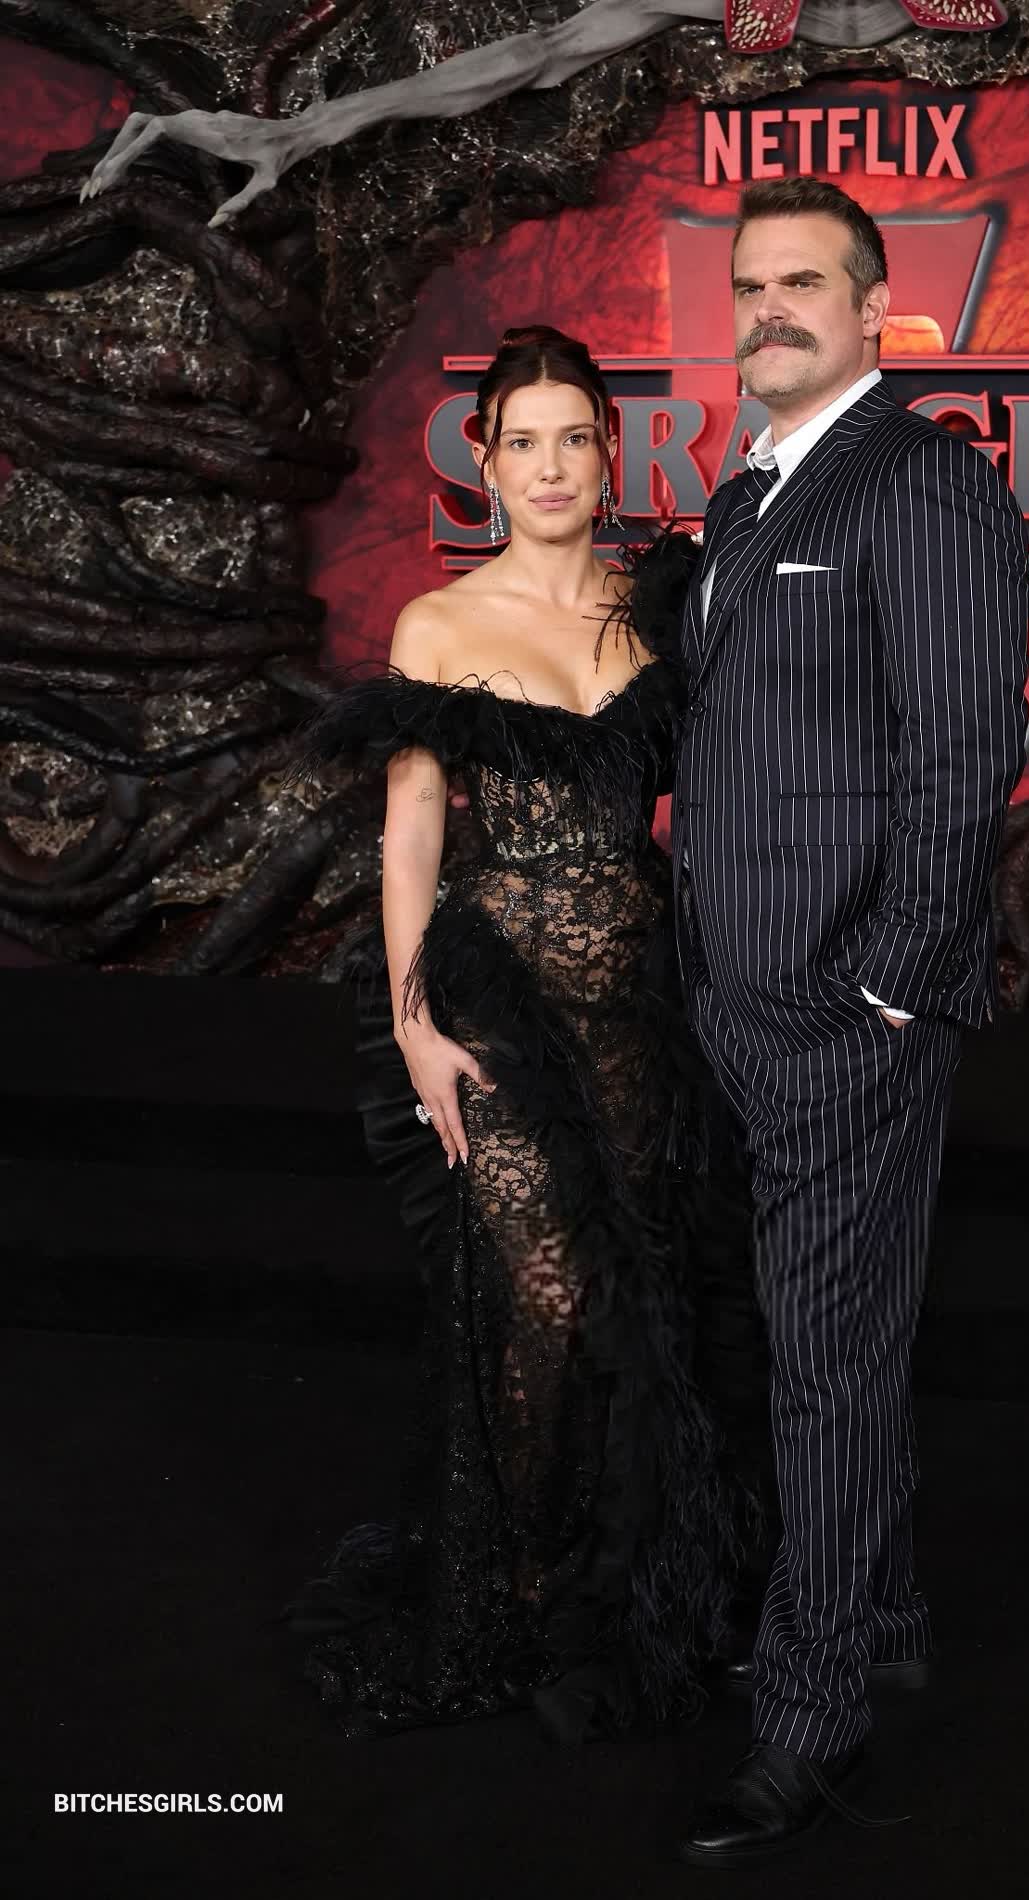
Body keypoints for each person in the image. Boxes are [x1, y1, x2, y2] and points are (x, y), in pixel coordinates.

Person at [287, 325, 763, 1744]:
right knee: (543, 1293)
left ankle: (620, 1588)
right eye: (521, 443)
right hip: (497, 999)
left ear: (608, 454)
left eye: (573, 439)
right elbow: (412, 834)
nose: (549, 467)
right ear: (484, 464)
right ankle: (519, 1585)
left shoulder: (656, 609)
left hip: (644, 1001)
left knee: (649, 1291)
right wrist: (413, 1028)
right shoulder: (441, 624)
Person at [673, 178, 1029, 1865]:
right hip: (734, 991)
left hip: (843, 1007)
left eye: (803, 282)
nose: (769, 310)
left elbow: (963, 757)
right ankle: (874, 1620)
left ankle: (808, 1726)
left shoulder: (923, 480)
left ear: (875, 303)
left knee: (824, 1364)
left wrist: (887, 981)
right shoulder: (744, 491)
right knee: (819, 1339)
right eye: (750, 284)